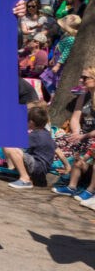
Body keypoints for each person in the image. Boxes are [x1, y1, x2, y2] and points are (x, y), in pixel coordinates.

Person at [51, 68, 95, 204]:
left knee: (72, 154)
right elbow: (76, 116)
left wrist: (83, 136)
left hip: (91, 137)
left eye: (85, 78)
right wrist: (77, 132)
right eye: (81, 77)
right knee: (56, 143)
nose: (81, 80)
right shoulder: (86, 95)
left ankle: (74, 182)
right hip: (82, 135)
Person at [4, 104, 56, 190]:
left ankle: (25, 179)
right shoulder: (46, 133)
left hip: (37, 166)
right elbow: (56, 148)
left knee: (9, 147)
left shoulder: (36, 135)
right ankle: (13, 169)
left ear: (31, 122)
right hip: (42, 168)